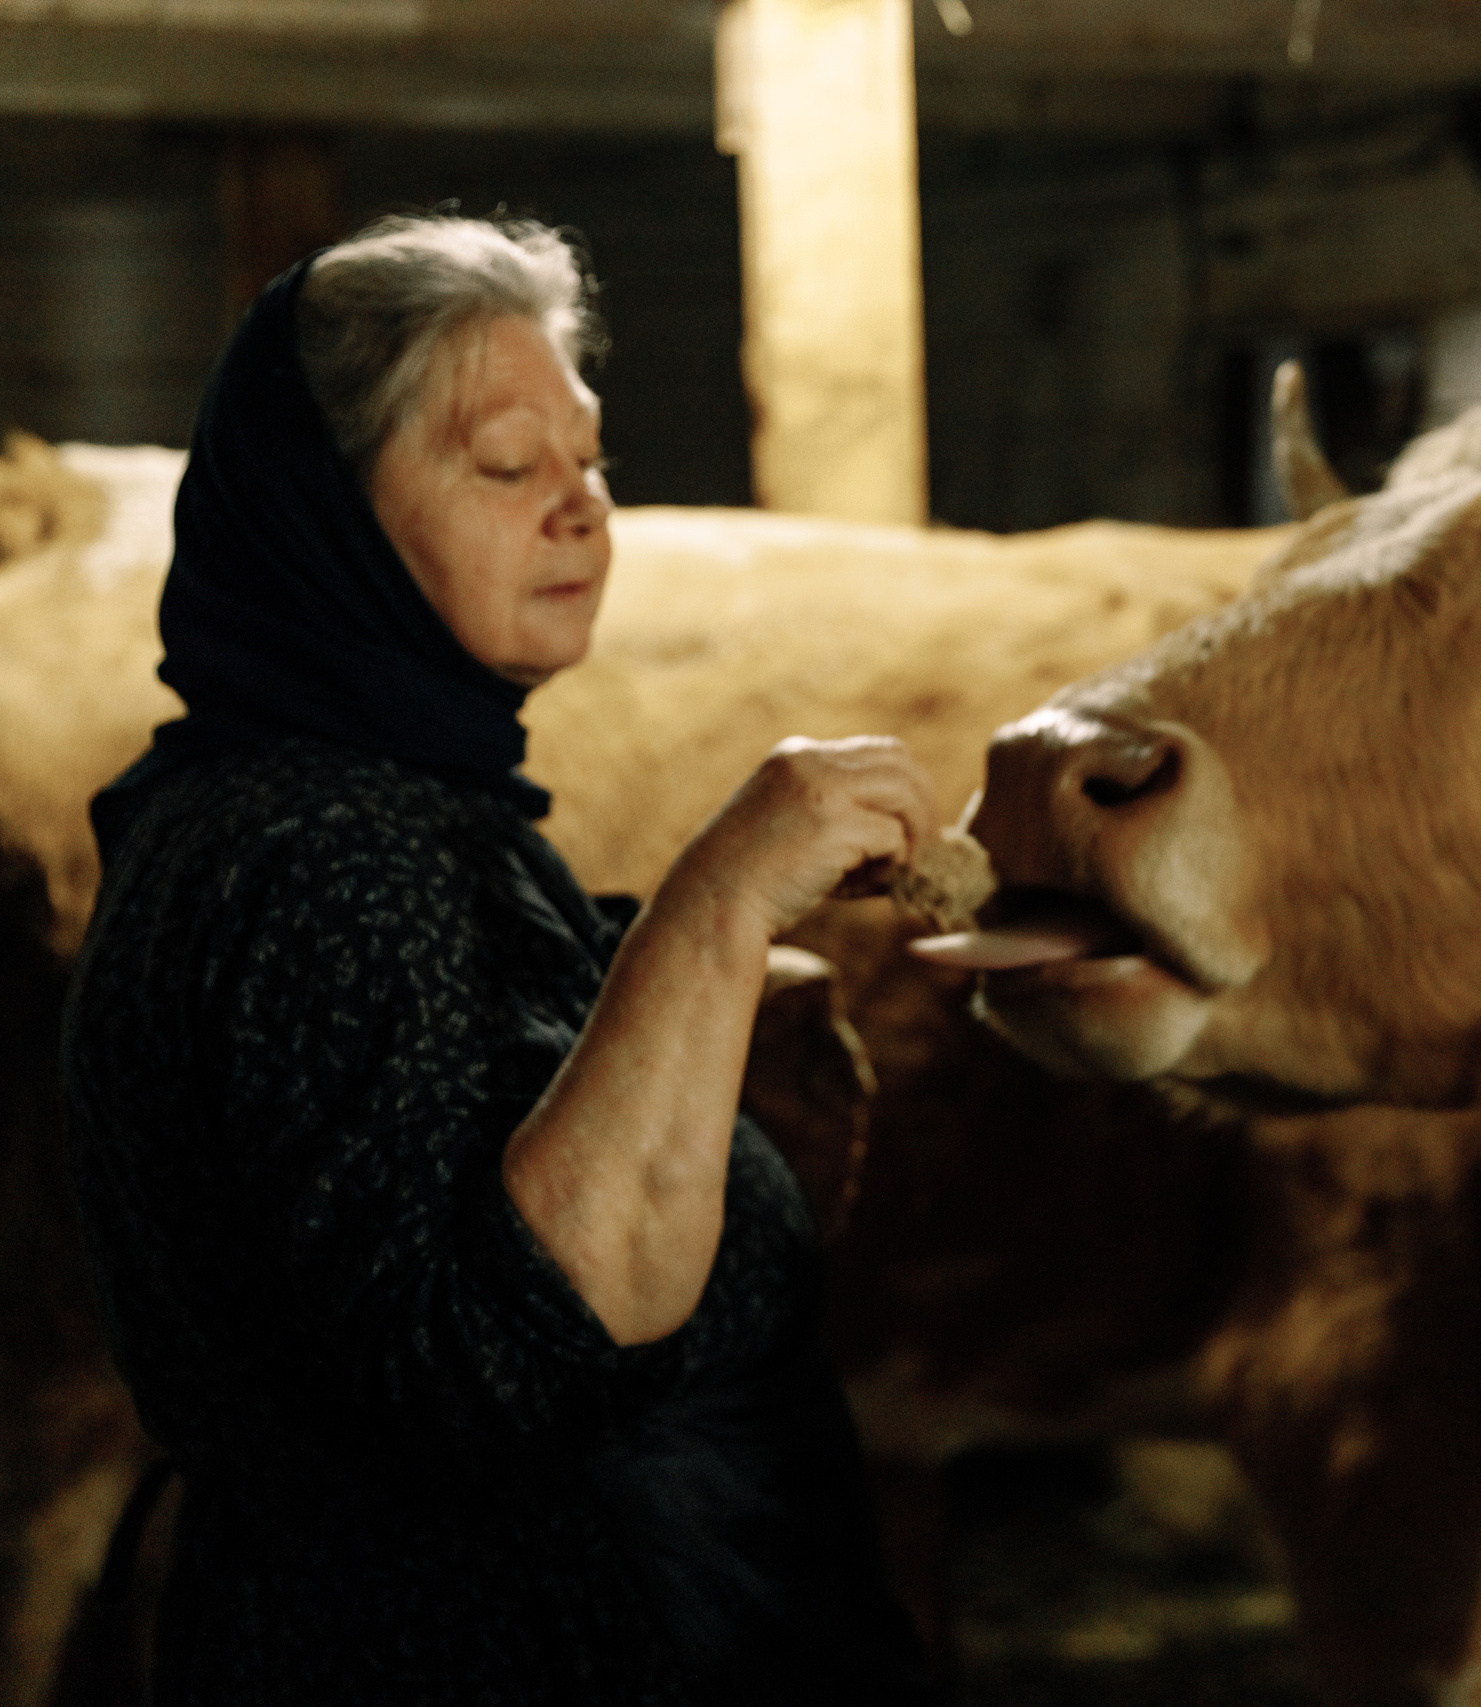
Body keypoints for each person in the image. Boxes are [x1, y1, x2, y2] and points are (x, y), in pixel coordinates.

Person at [61, 213, 943, 1704]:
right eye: (506, 465)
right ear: (323, 512)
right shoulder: (323, 853)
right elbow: (502, 1355)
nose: (580, 509)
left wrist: (653, 990)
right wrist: (715, 908)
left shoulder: (377, 805)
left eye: (590, 460)